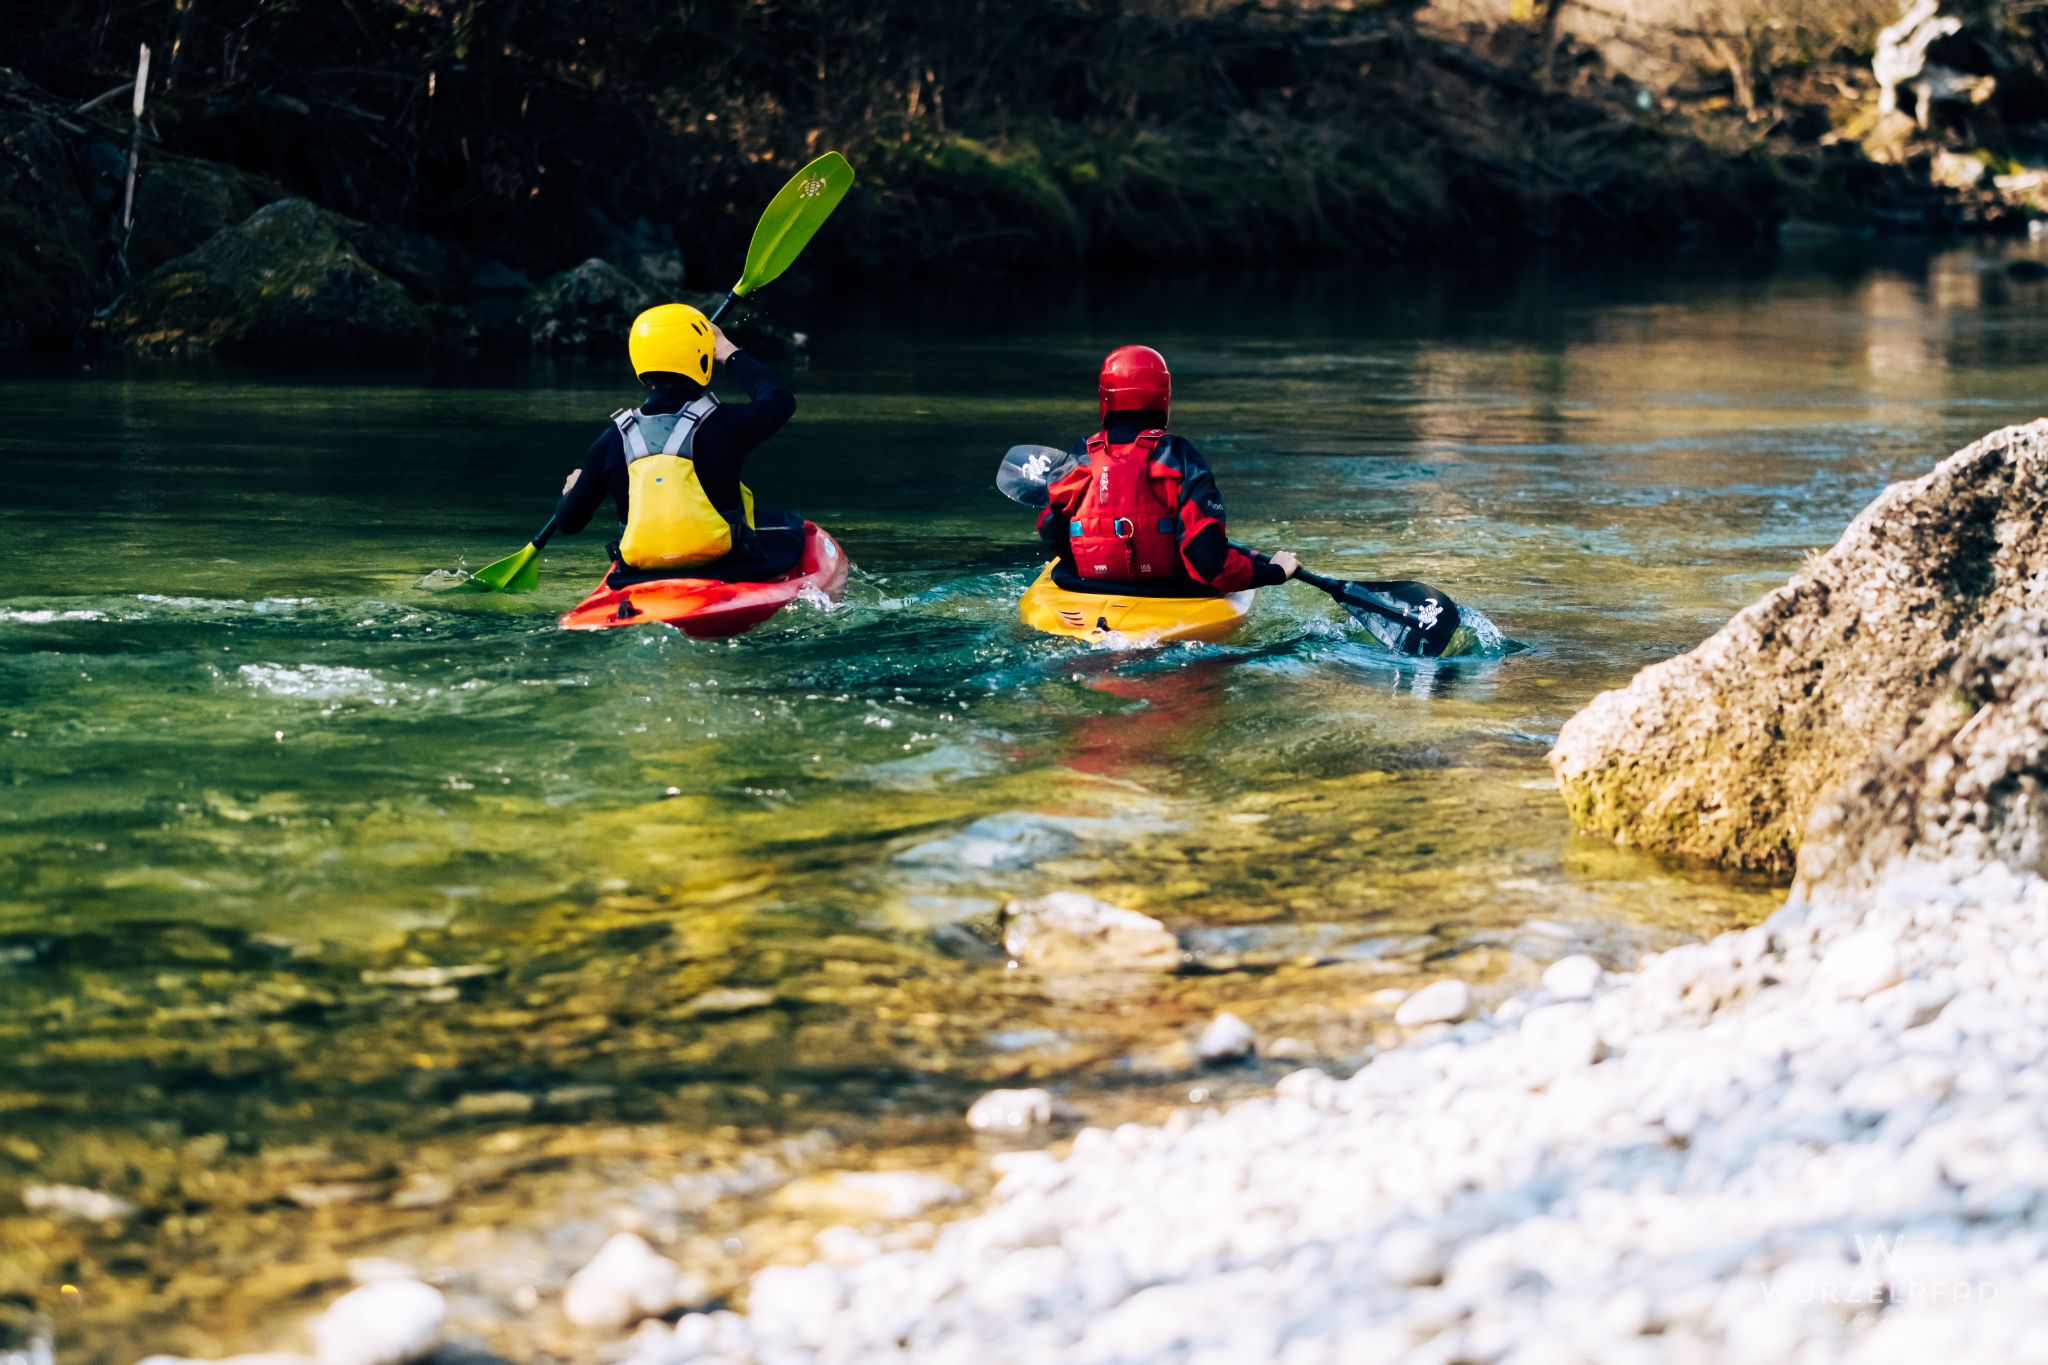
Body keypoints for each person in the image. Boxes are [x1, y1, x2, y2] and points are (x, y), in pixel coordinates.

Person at [555, 302, 797, 578]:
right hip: (725, 568)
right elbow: (779, 399)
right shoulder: (725, 424)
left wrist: (572, 492)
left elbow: (569, 522)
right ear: (702, 358)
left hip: (640, 577)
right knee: (791, 530)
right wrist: (726, 349)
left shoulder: (611, 441)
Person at [1038, 344, 1298, 594]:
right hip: (1171, 594)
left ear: (1105, 397)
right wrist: (1275, 572)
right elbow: (1209, 563)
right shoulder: (1178, 457)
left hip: (1086, 588)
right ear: (1164, 396)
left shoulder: (1081, 456)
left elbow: (1051, 531)